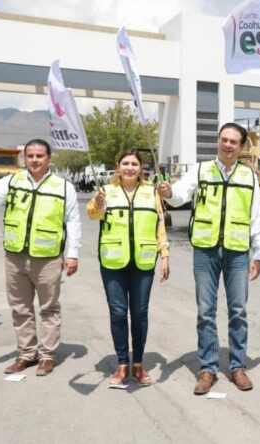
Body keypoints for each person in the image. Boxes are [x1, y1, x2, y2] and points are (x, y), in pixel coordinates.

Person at [0, 139, 81, 376]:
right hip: (15, 256)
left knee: (49, 308)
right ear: (25, 159)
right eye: (30, 156)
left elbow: (72, 221)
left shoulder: (64, 187)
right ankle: (26, 354)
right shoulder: (11, 181)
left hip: (48, 258)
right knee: (20, 308)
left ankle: (47, 356)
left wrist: (72, 254)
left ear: (49, 158)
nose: (34, 160)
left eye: (39, 156)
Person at [157, 122, 260, 395]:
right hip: (205, 250)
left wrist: (259, 252)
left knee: (238, 310)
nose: (228, 145)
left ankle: (238, 366)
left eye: (234, 142)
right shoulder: (201, 170)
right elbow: (180, 193)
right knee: (206, 311)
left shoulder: (248, 176)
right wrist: (168, 192)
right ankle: (208, 369)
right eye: (224, 139)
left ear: (240, 148)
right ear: (218, 141)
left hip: (237, 251)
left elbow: (257, 216)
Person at [88, 149, 170, 386]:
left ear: (141, 167)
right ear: (118, 166)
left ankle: (138, 364)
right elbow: (93, 216)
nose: (130, 168)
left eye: (134, 163)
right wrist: (98, 204)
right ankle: (122, 363)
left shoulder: (151, 193)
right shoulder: (106, 192)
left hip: (143, 262)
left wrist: (165, 254)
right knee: (117, 313)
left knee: (140, 313)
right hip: (113, 263)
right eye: (125, 163)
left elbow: (160, 224)